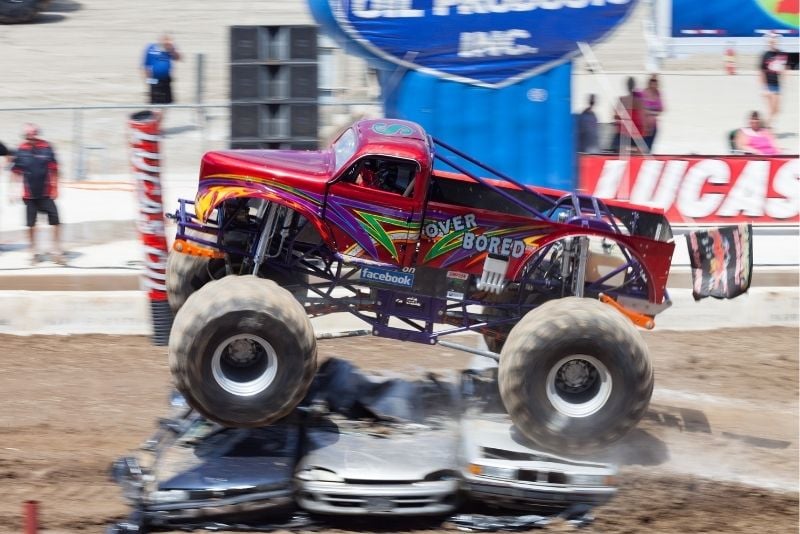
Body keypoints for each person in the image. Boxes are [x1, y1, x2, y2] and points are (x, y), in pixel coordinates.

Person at [11, 124, 66, 265]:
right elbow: (15, 171)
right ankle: (33, 251)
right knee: (31, 224)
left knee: (56, 221)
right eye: (28, 135)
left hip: (46, 192)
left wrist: (56, 188)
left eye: (33, 134)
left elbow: (55, 169)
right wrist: (13, 190)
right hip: (29, 194)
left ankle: (56, 250)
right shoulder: (21, 149)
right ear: (25, 136)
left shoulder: (47, 147)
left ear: (38, 133)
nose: (31, 137)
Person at [142, 33, 181, 121]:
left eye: (169, 41)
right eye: (165, 41)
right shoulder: (151, 48)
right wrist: (148, 81)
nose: (167, 43)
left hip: (167, 80)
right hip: (154, 80)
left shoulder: (170, 49)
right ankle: (153, 124)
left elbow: (179, 58)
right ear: (159, 40)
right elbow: (145, 66)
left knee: (166, 104)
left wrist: (172, 50)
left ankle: (159, 125)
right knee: (155, 105)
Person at [610, 76, 644, 154]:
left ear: (626, 86)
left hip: (624, 132)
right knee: (638, 152)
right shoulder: (639, 101)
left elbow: (615, 116)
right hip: (636, 132)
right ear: (634, 86)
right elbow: (642, 119)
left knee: (618, 150)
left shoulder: (622, 99)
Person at [759, 32, 788, 126]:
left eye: (775, 39)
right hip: (769, 85)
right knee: (772, 109)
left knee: (776, 110)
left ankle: (765, 126)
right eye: (771, 40)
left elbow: (782, 69)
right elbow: (761, 72)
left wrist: (784, 76)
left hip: (777, 85)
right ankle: (765, 128)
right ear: (768, 42)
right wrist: (764, 88)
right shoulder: (765, 55)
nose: (773, 41)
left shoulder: (782, 54)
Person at [640, 74, 664, 153]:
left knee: (649, 147)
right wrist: (654, 111)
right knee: (643, 147)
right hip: (644, 125)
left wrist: (650, 111)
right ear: (649, 82)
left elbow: (661, 109)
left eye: (656, 81)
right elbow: (642, 109)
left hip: (653, 124)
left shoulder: (658, 93)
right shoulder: (644, 93)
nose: (654, 83)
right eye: (652, 81)